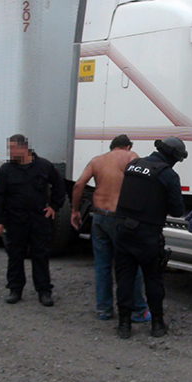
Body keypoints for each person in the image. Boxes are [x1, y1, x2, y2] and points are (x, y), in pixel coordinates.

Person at [70, 134, 152, 323]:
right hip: (119, 217)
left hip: (98, 216)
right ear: (127, 146)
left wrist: (75, 210)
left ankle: (104, 310)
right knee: (131, 265)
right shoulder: (130, 157)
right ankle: (138, 310)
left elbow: (78, 185)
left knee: (102, 265)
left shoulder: (97, 161)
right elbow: (142, 183)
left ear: (112, 146)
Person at [114, 137, 187, 339]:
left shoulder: (133, 165)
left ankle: (124, 325)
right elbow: (177, 210)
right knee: (153, 280)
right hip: (148, 235)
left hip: (123, 231)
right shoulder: (168, 175)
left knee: (125, 280)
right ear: (172, 156)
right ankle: (157, 324)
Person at [0, 134, 66, 307]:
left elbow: (59, 186)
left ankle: (44, 291)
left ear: (24, 148)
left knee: (41, 255)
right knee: (15, 255)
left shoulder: (44, 166)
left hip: (39, 219)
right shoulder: (5, 170)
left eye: (12, 149)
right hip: (15, 219)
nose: (10, 153)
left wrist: (54, 206)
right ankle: (15, 289)